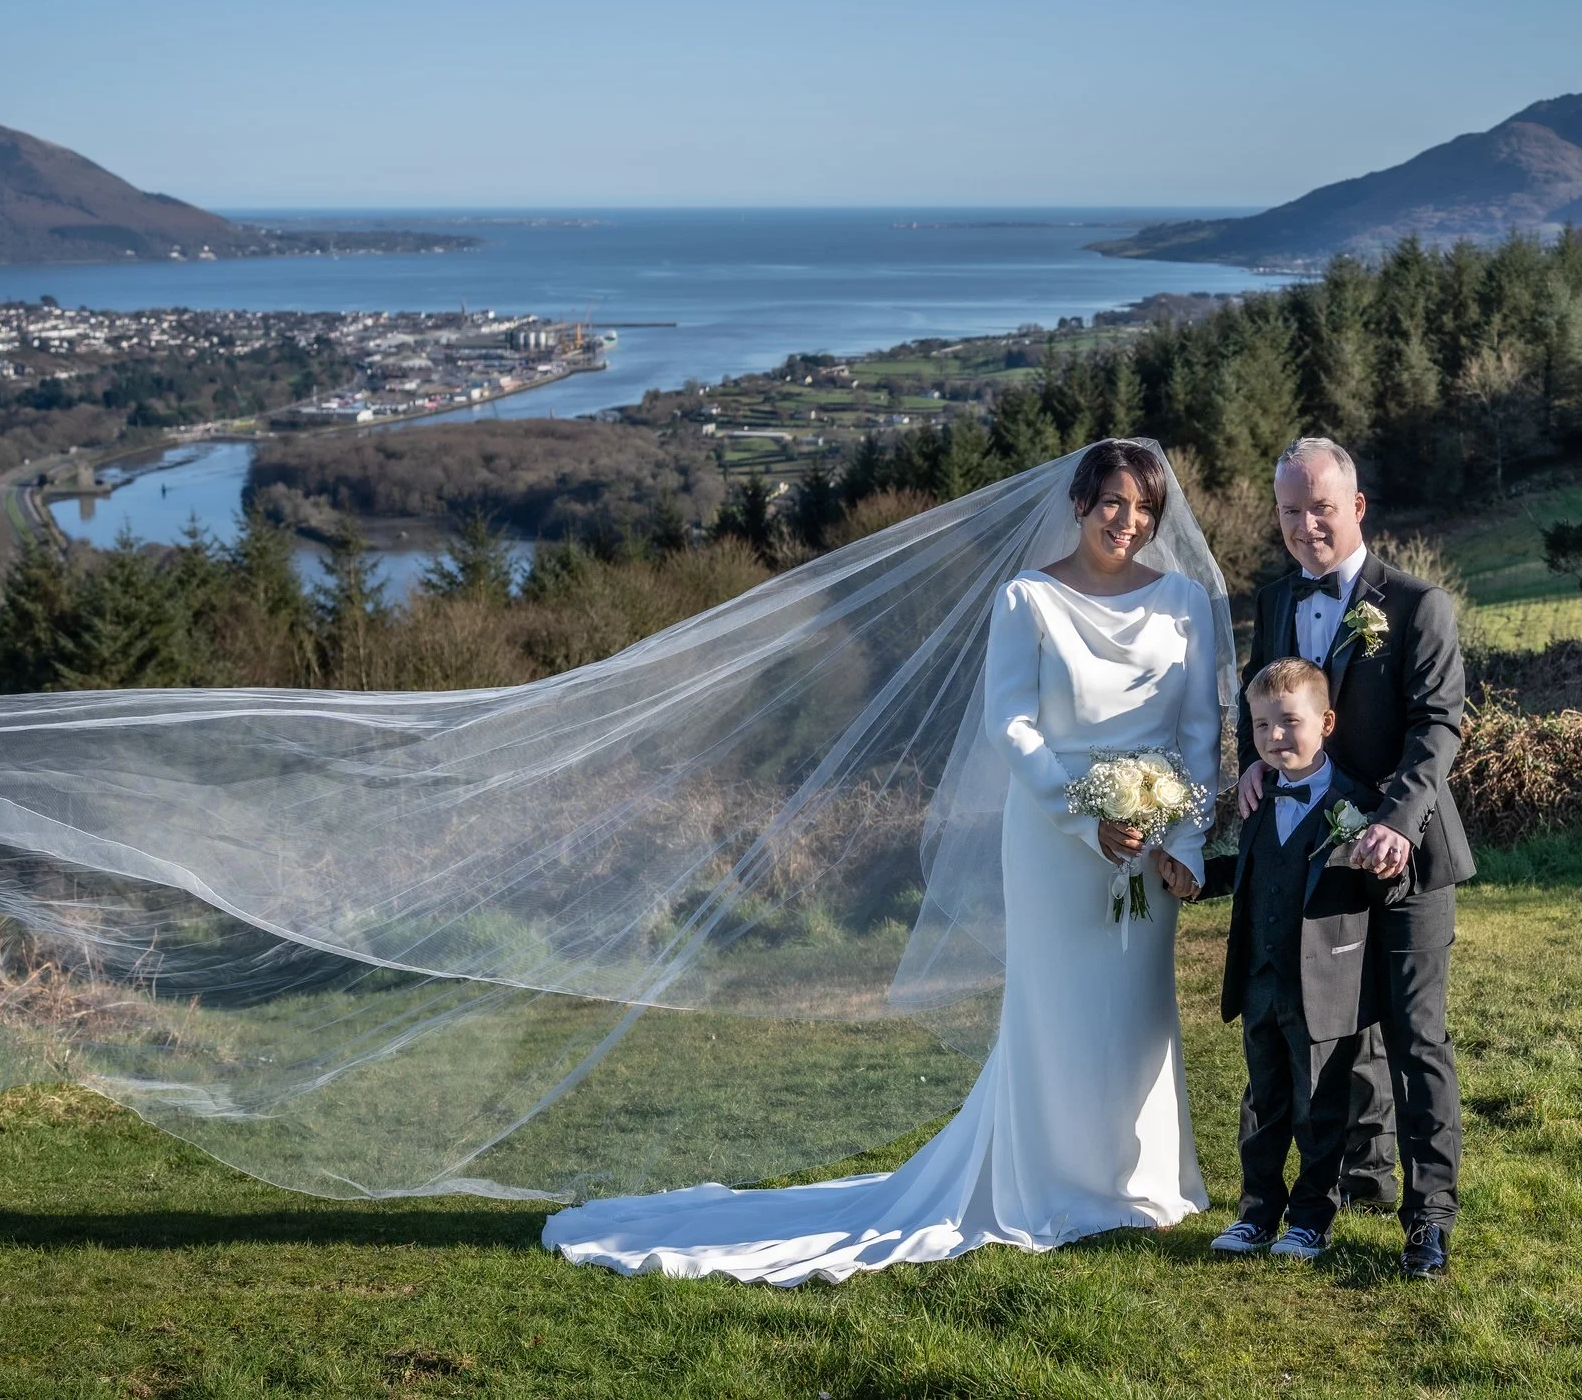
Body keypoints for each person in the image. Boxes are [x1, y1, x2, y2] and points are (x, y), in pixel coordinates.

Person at [543, 439, 1225, 1284]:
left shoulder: (1188, 601)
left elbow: (1200, 728)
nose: (1129, 521)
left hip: (1154, 842)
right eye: (1114, 502)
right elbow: (1010, 726)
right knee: (1057, 1011)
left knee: (1139, 1010)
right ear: (1080, 503)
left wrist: (1180, 839)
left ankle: (1144, 1185)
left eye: (1145, 508)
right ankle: (1050, 1184)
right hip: (1055, 838)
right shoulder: (1028, 599)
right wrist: (1089, 822)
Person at [1233, 436, 1469, 1279]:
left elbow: (1438, 726)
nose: (1306, 527)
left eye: (1321, 509)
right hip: (1310, 863)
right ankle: (1350, 1181)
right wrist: (1253, 764)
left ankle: (1428, 1217)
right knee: (1326, 1028)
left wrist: (1397, 823)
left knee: (1414, 1038)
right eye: (1291, 512)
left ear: (1356, 507)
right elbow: (1259, 702)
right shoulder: (1273, 600)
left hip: (1406, 855)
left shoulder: (1415, 605)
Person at [1183, 657, 1401, 1261]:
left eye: (1288, 722)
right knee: (1265, 1100)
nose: (1274, 737)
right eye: (1260, 727)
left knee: (1318, 1105)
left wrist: (1378, 868)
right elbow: (1256, 875)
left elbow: (1388, 890)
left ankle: (1311, 1215)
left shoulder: (1357, 804)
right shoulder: (1257, 800)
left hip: (1325, 983)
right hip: (1260, 979)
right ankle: (1256, 1213)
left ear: (1327, 721)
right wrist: (1197, 875)